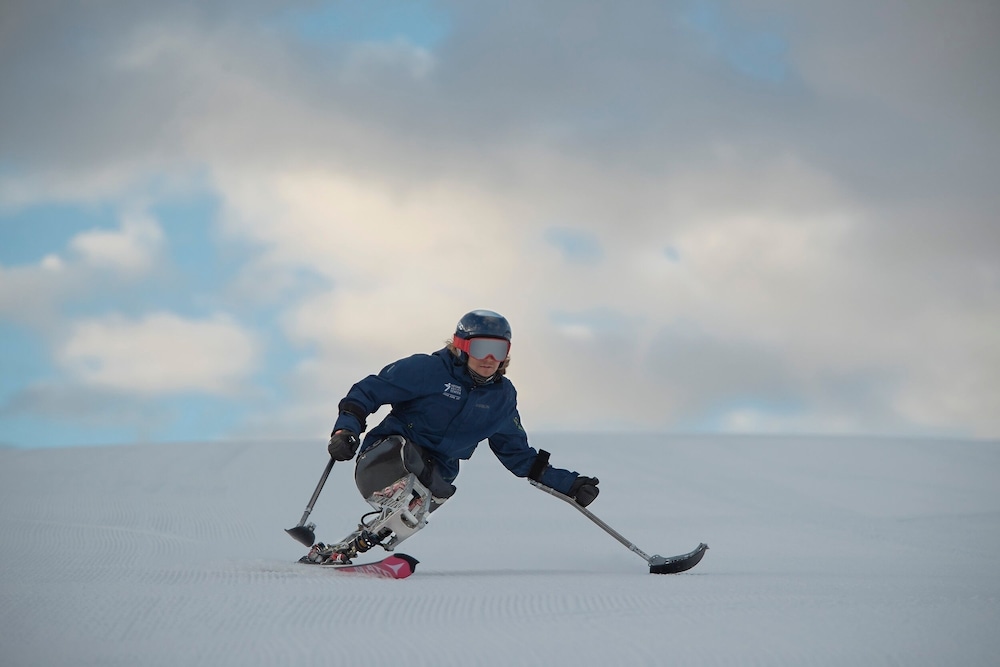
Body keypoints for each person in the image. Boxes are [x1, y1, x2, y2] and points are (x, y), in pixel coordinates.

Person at [302, 309, 600, 565]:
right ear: (462, 346)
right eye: (481, 348)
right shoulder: (428, 370)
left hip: (431, 477)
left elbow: (518, 455)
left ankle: (351, 547)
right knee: (414, 468)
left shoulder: (501, 398)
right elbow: (367, 391)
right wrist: (345, 430)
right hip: (385, 458)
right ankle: (400, 505)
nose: (489, 358)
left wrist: (570, 485)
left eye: (498, 350)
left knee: (439, 488)